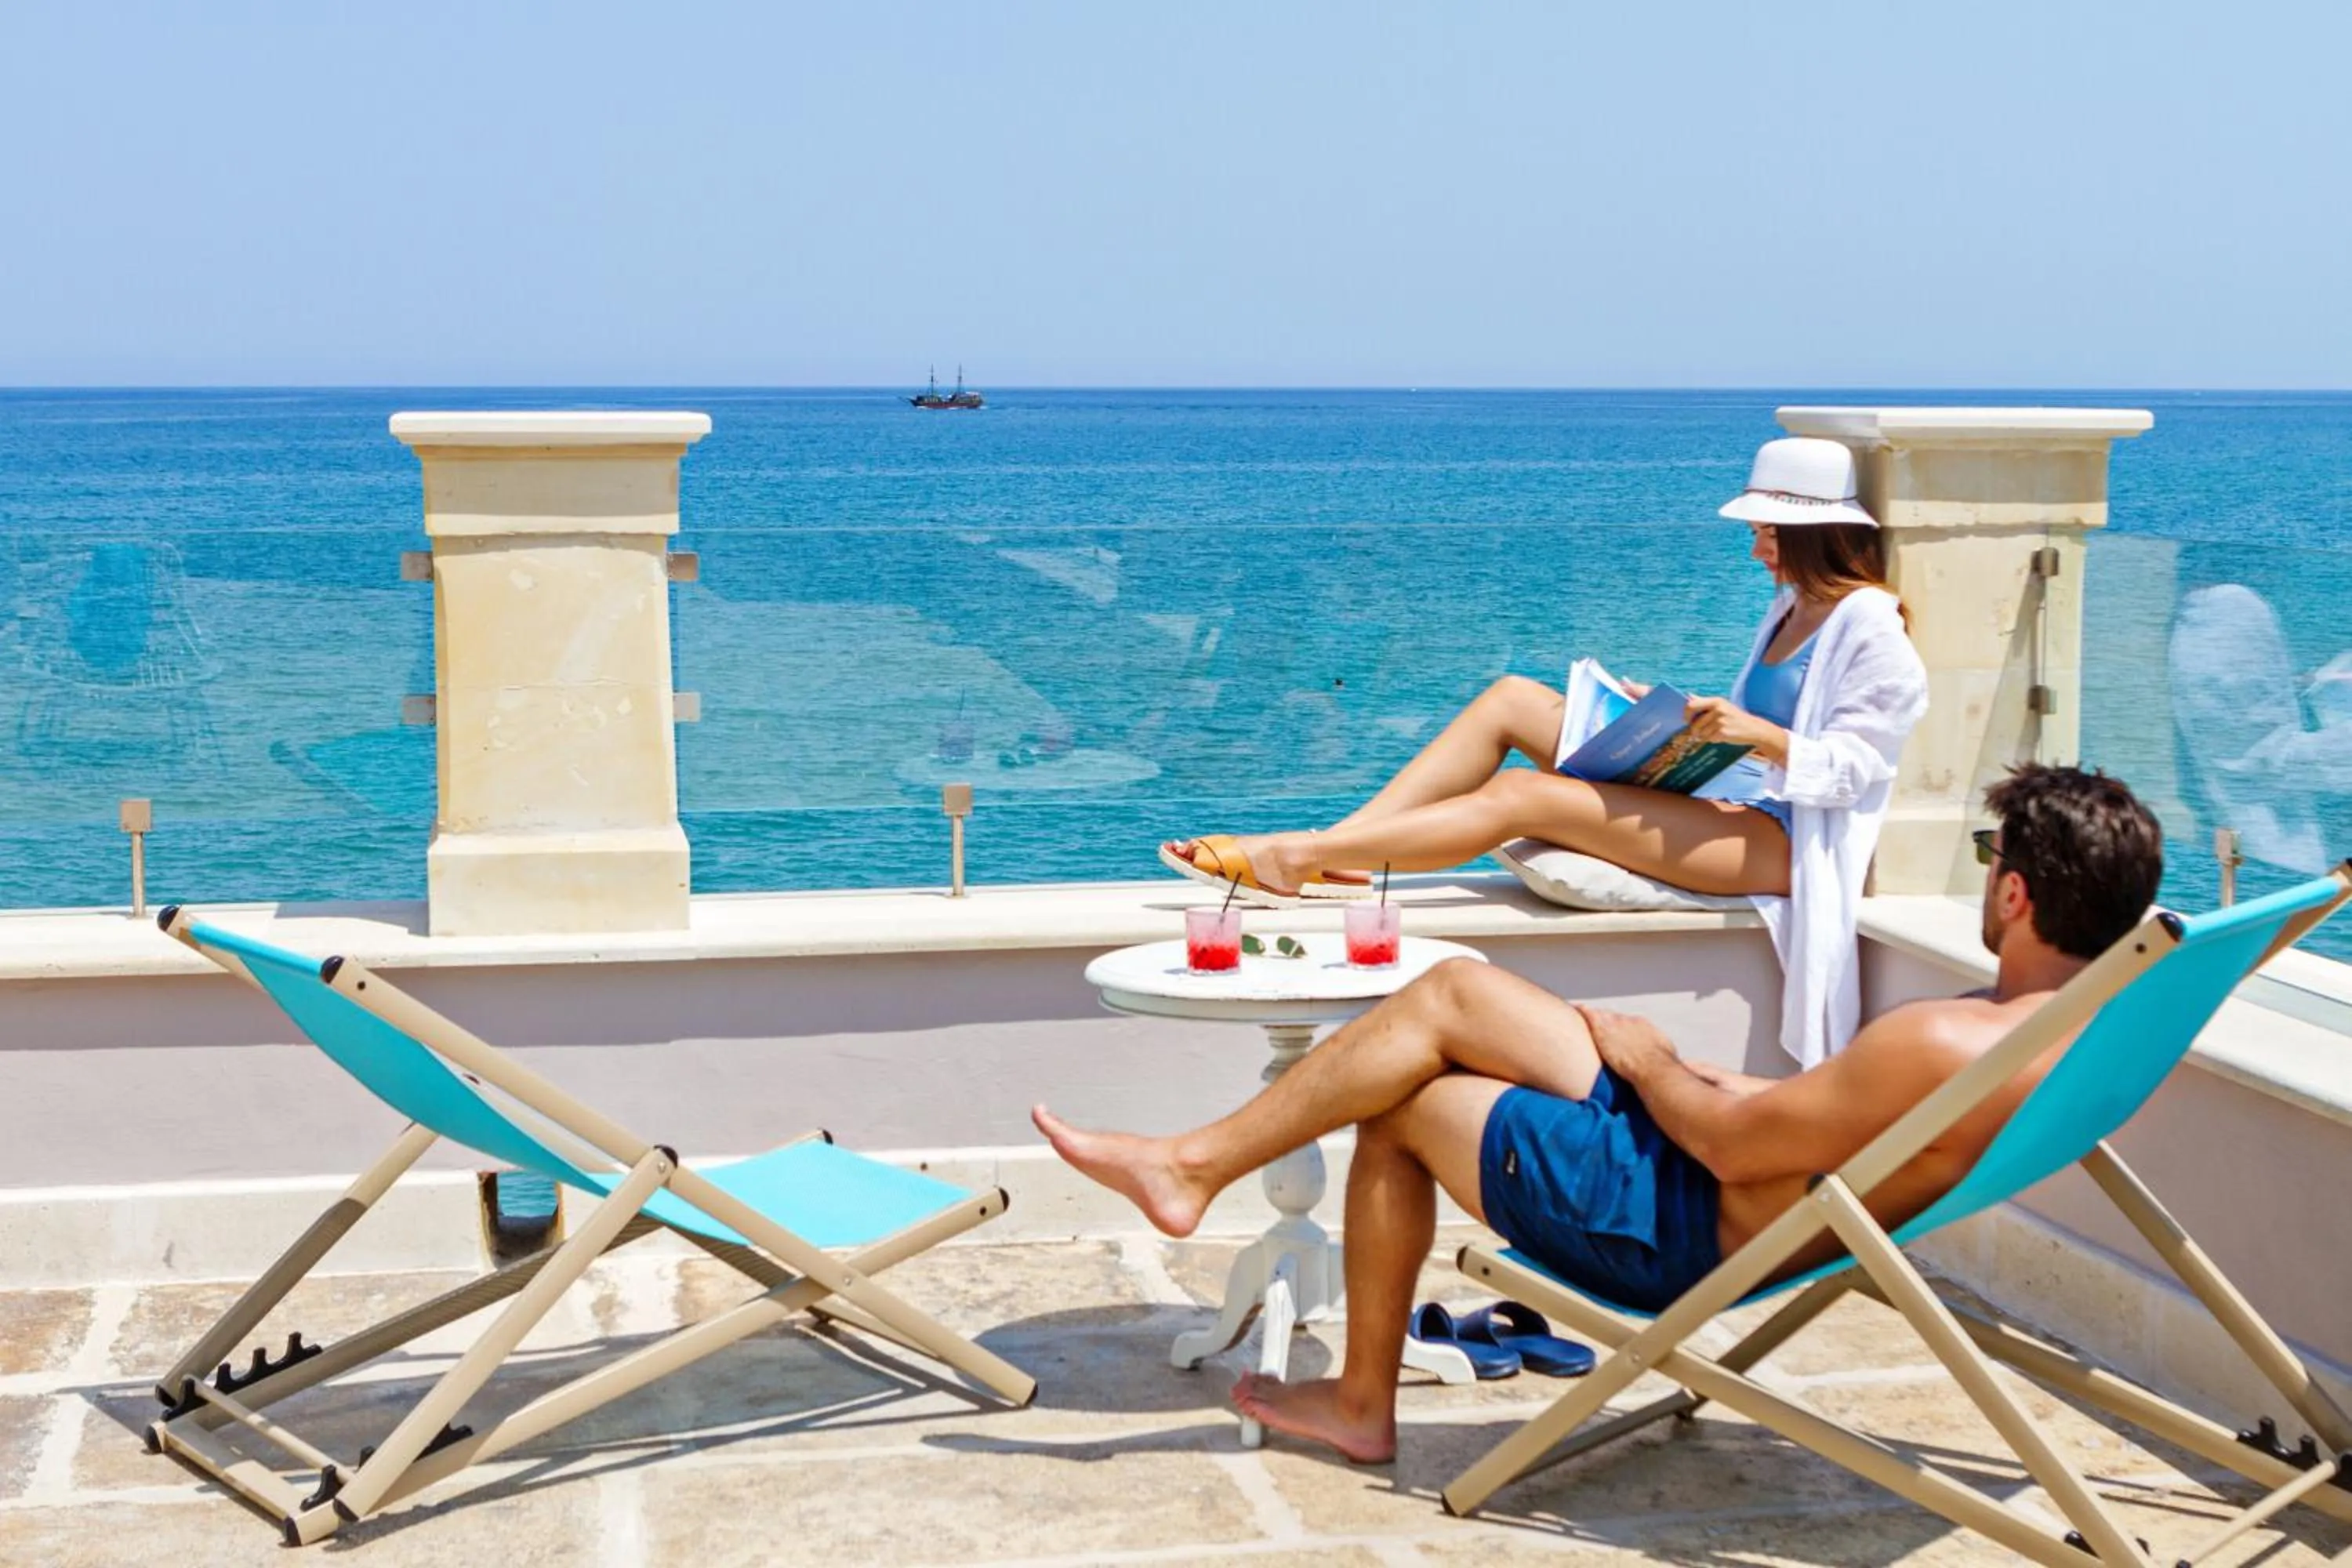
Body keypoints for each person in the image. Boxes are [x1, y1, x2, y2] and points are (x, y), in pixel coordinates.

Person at [1041, 764, 2163, 1465]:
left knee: (1405, 1101)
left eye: (1989, 858)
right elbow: (1802, 1123)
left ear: (2014, 893)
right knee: (1452, 996)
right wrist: (1695, 1080)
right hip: (1731, 1179)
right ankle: (1192, 1167)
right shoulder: (2079, 1027)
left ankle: (1350, 1385)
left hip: (1676, 1223)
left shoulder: (1946, 1037)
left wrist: (1658, 1066)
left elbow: (1727, 1147)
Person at [1161, 435, 1930, 1065]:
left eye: (1766, 531)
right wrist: (1666, 722)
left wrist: (1756, 734)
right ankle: (1347, 852)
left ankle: (1292, 856)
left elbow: (1860, 770)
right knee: (1511, 700)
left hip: (1782, 842)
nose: (1756, 548)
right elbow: (1757, 728)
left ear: (1811, 532)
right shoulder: (1791, 608)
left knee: (1522, 797)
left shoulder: (1871, 625)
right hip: (1731, 801)